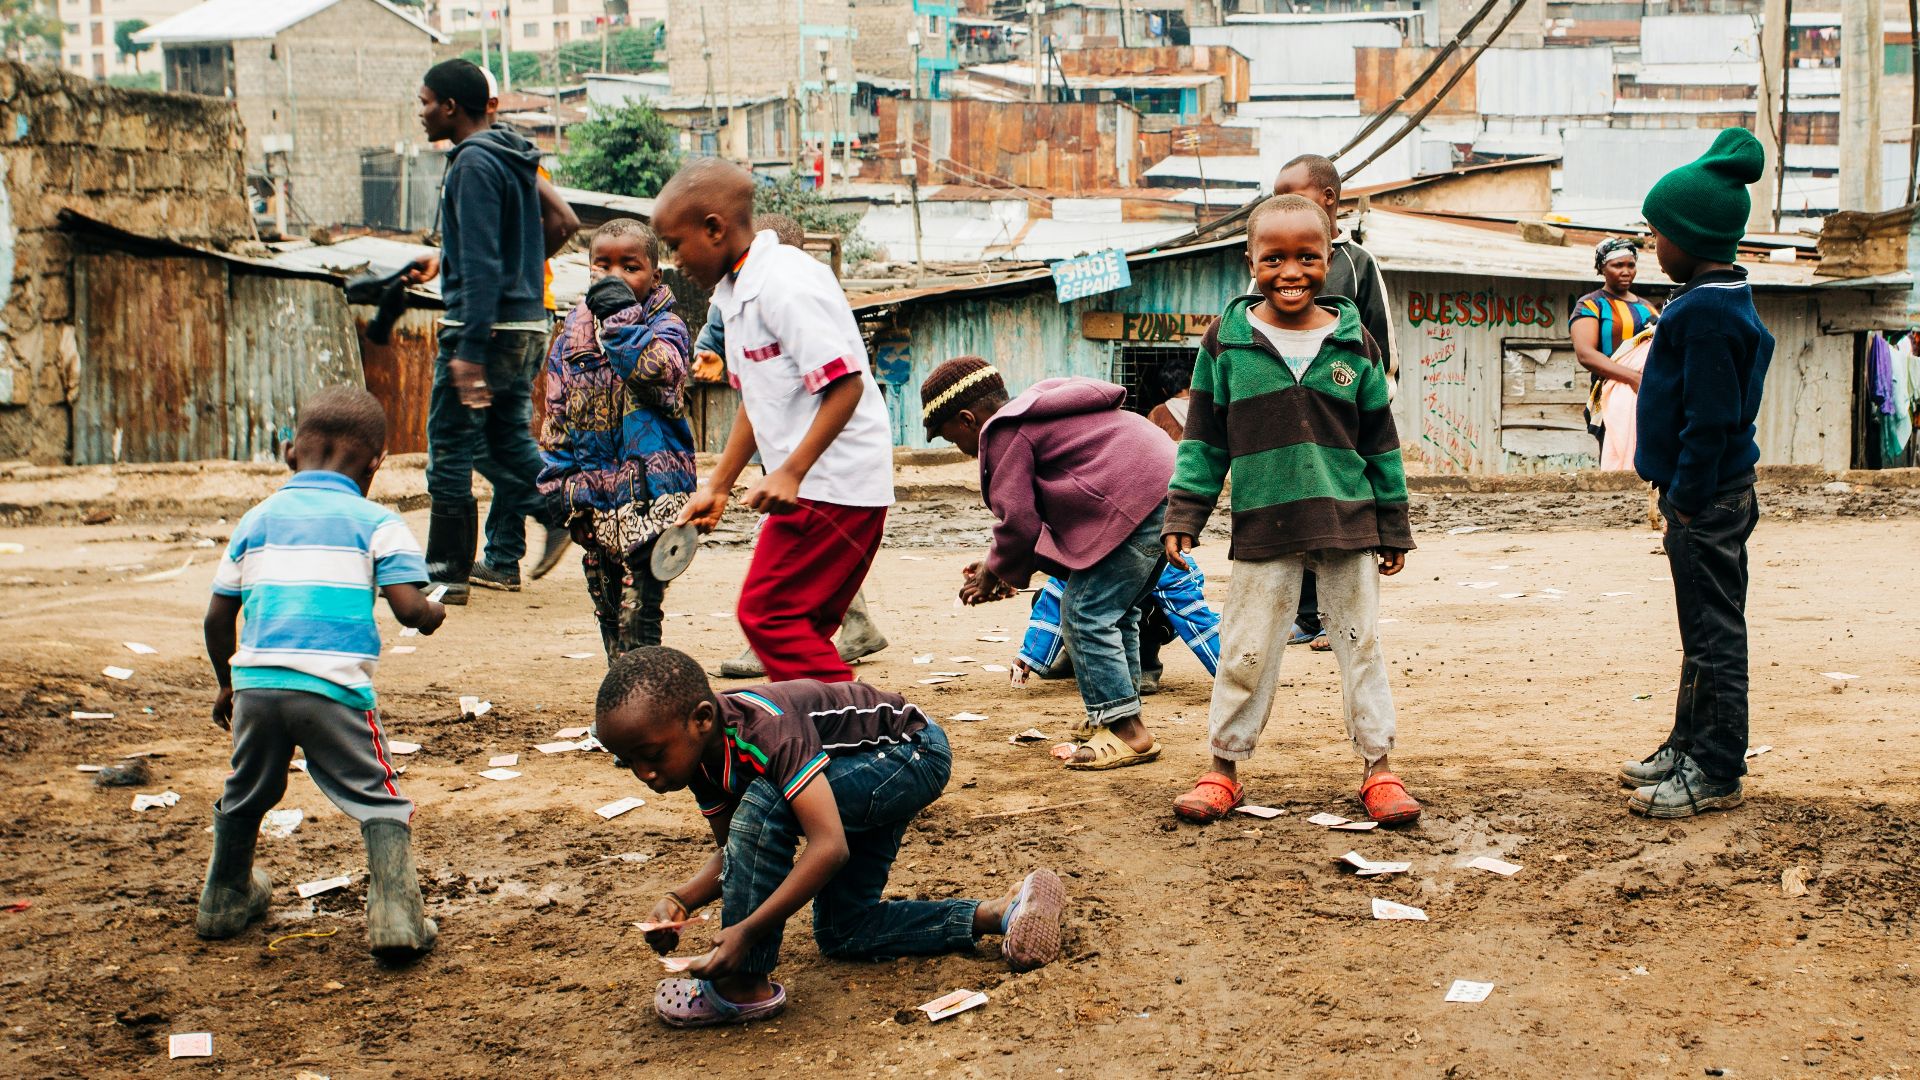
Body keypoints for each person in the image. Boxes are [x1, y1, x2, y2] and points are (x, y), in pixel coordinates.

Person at [596, 647, 1067, 1027]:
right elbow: (734, 855)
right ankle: (1005, 913)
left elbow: (828, 847)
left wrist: (746, 933)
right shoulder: (701, 761)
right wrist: (680, 901)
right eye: (628, 761)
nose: (645, 773)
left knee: (764, 808)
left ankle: (743, 984)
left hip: (910, 751)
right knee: (844, 931)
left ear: (701, 719)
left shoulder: (764, 731)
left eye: (651, 754)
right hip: (865, 770)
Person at [1163, 194, 1419, 826]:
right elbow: (1204, 439)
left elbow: (1380, 444)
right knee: (1245, 648)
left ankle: (1379, 767)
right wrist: (1185, 513)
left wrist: (1394, 524)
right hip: (1264, 521)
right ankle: (1223, 767)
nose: (1291, 272)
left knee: (1360, 646)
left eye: (1308, 257)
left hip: (1348, 521)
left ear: (1329, 259)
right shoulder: (1228, 340)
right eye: (1273, 258)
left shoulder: (1354, 342)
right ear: (1249, 259)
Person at [198, 387, 446, 959]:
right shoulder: (377, 523)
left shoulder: (254, 521)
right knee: (378, 798)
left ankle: (223, 898)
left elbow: (217, 615)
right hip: (333, 688)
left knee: (245, 792)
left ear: (290, 452)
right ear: (377, 462)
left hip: (258, 686)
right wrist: (433, 613)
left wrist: (227, 682)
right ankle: (396, 919)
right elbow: (409, 608)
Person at [655, 159, 895, 684]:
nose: (673, 261)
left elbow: (846, 383)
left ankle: (862, 725)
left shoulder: (785, 283)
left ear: (715, 228)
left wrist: (791, 472)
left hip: (834, 483)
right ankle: (824, 732)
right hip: (817, 483)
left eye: (676, 244)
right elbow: (754, 401)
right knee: (801, 628)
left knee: (766, 615)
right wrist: (717, 485)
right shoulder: (735, 295)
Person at [1623, 127, 1774, 819]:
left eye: (1659, 234)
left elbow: (1710, 424)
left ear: (1691, 236)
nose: (1655, 245)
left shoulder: (1709, 311)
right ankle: (1688, 744)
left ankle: (1715, 770)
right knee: (1702, 630)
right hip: (1705, 496)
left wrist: (1682, 497)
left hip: (1706, 499)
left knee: (1713, 636)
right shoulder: (1711, 298)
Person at [925, 357, 1170, 771]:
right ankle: (1112, 715)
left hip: (1136, 503)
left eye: (953, 440)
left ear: (968, 420)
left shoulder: (1004, 432)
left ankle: (1128, 731)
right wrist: (1001, 567)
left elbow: (1018, 523)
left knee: (1085, 613)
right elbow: (1048, 518)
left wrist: (996, 571)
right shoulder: (1038, 414)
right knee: (1117, 611)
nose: (962, 450)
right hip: (1164, 491)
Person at [411, 58, 569, 605]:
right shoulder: (513, 155)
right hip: (525, 321)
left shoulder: (473, 164)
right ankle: (563, 511)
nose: (423, 113)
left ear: (451, 106)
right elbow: (564, 222)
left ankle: (446, 574)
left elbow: (478, 264)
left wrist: (470, 349)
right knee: (504, 439)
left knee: (451, 449)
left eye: (426, 102)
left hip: (484, 329)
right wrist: (522, 278)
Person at [536, 219, 694, 660]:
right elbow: (557, 414)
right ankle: (624, 706)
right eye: (602, 266)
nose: (615, 277)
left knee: (639, 615)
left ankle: (643, 708)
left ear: (655, 276)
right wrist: (564, 495)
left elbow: (656, 375)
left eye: (631, 267)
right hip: (594, 497)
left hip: (651, 499)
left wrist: (621, 319)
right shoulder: (573, 331)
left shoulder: (668, 326)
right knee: (607, 611)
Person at [1021, 351, 1221, 693]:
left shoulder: (1156, 419)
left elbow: (1191, 609)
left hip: (1152, 603)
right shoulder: (1103, 524)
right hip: (1171, 501)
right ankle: (1096, 661)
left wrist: (1236, 677)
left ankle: (1143, 664)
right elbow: (1059, 584)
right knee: (1078, 595)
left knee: (1122, 604)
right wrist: (1029, 656)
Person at [1271, 153, 1397, 652]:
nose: (1282, 206)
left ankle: (1338, 617)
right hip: (1282, 413)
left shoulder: (1356, 263)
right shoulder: (1269, 262)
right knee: (1292, 512)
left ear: (1328, 200)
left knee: (1342, 511)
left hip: (1341, 416)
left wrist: (1372, 413)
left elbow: (1379, 346)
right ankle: (1303, 615)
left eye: (1293, 195)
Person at [1570, 237, 1657, 456]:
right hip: (1613, 393)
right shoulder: (1591, 304)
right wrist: (1633, 378)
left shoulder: (1648, 309)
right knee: (1617, 453)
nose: (1626, 271)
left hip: (1650, 393)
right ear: (1602, 267)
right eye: (1618, 265)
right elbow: (1586, 354)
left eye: (1631, 265)